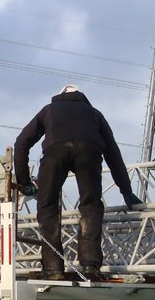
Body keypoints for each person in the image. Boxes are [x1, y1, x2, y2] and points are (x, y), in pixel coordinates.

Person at [13, 85, 143, 279]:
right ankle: (90, 266)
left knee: (47, 206)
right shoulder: (94, 114)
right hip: (88, 152)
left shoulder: (48, 110)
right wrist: (126, 190)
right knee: (90, 205)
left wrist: (24, 183)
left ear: (60, 96)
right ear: (82, 97)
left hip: (55, 151)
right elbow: (113, 154)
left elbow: (21, 143)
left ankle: (53, 269)